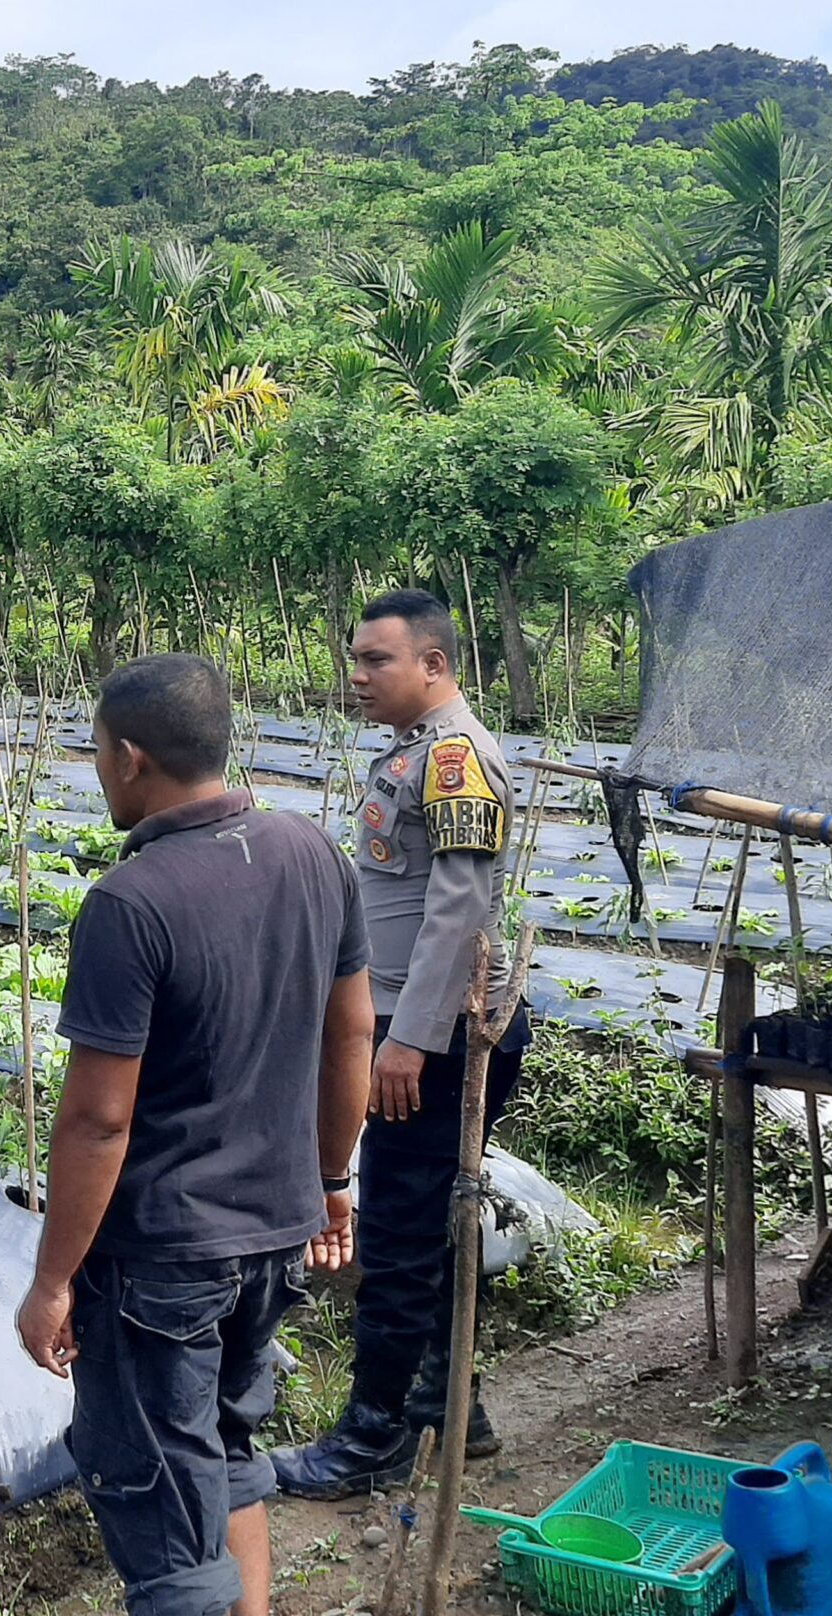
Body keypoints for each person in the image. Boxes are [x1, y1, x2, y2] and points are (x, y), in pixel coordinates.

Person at [16, 653, 375, 1616]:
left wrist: (53, 1282)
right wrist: (331, 1179)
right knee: (223, 1449)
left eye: (97, 752)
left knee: (159, 1500)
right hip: (272, 1236)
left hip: (165, 1260)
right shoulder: (314, 852)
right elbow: (351, 1035)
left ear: (131, 757)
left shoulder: (131, 905)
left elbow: (98, 1119)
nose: (97, 770)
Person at [270, 589, 525, 1500]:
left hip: (438, 1031)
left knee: (402, 1229)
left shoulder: (456, 759)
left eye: (377, 660)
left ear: (434, 665)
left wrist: (408, 1042)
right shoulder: (419, 753)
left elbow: (460, 910)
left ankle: (371, 1439)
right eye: (356, 657)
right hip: (418, 1021)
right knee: (432, 1219)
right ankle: (454, 1405)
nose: (358, 676)